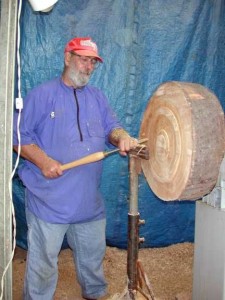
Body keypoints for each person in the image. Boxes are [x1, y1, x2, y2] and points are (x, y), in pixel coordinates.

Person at [13, 37, 138, 300]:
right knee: (43, 267)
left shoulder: (97, 97)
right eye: (83, 59)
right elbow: (17, 137)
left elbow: (111, 128)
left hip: (88, 202)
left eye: (92, 61)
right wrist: (44, 161)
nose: (88, 67)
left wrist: (122, 136)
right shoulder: (42, 95)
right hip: (48, 200)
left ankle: (94, 294)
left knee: (93, 261)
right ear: (67, 57)